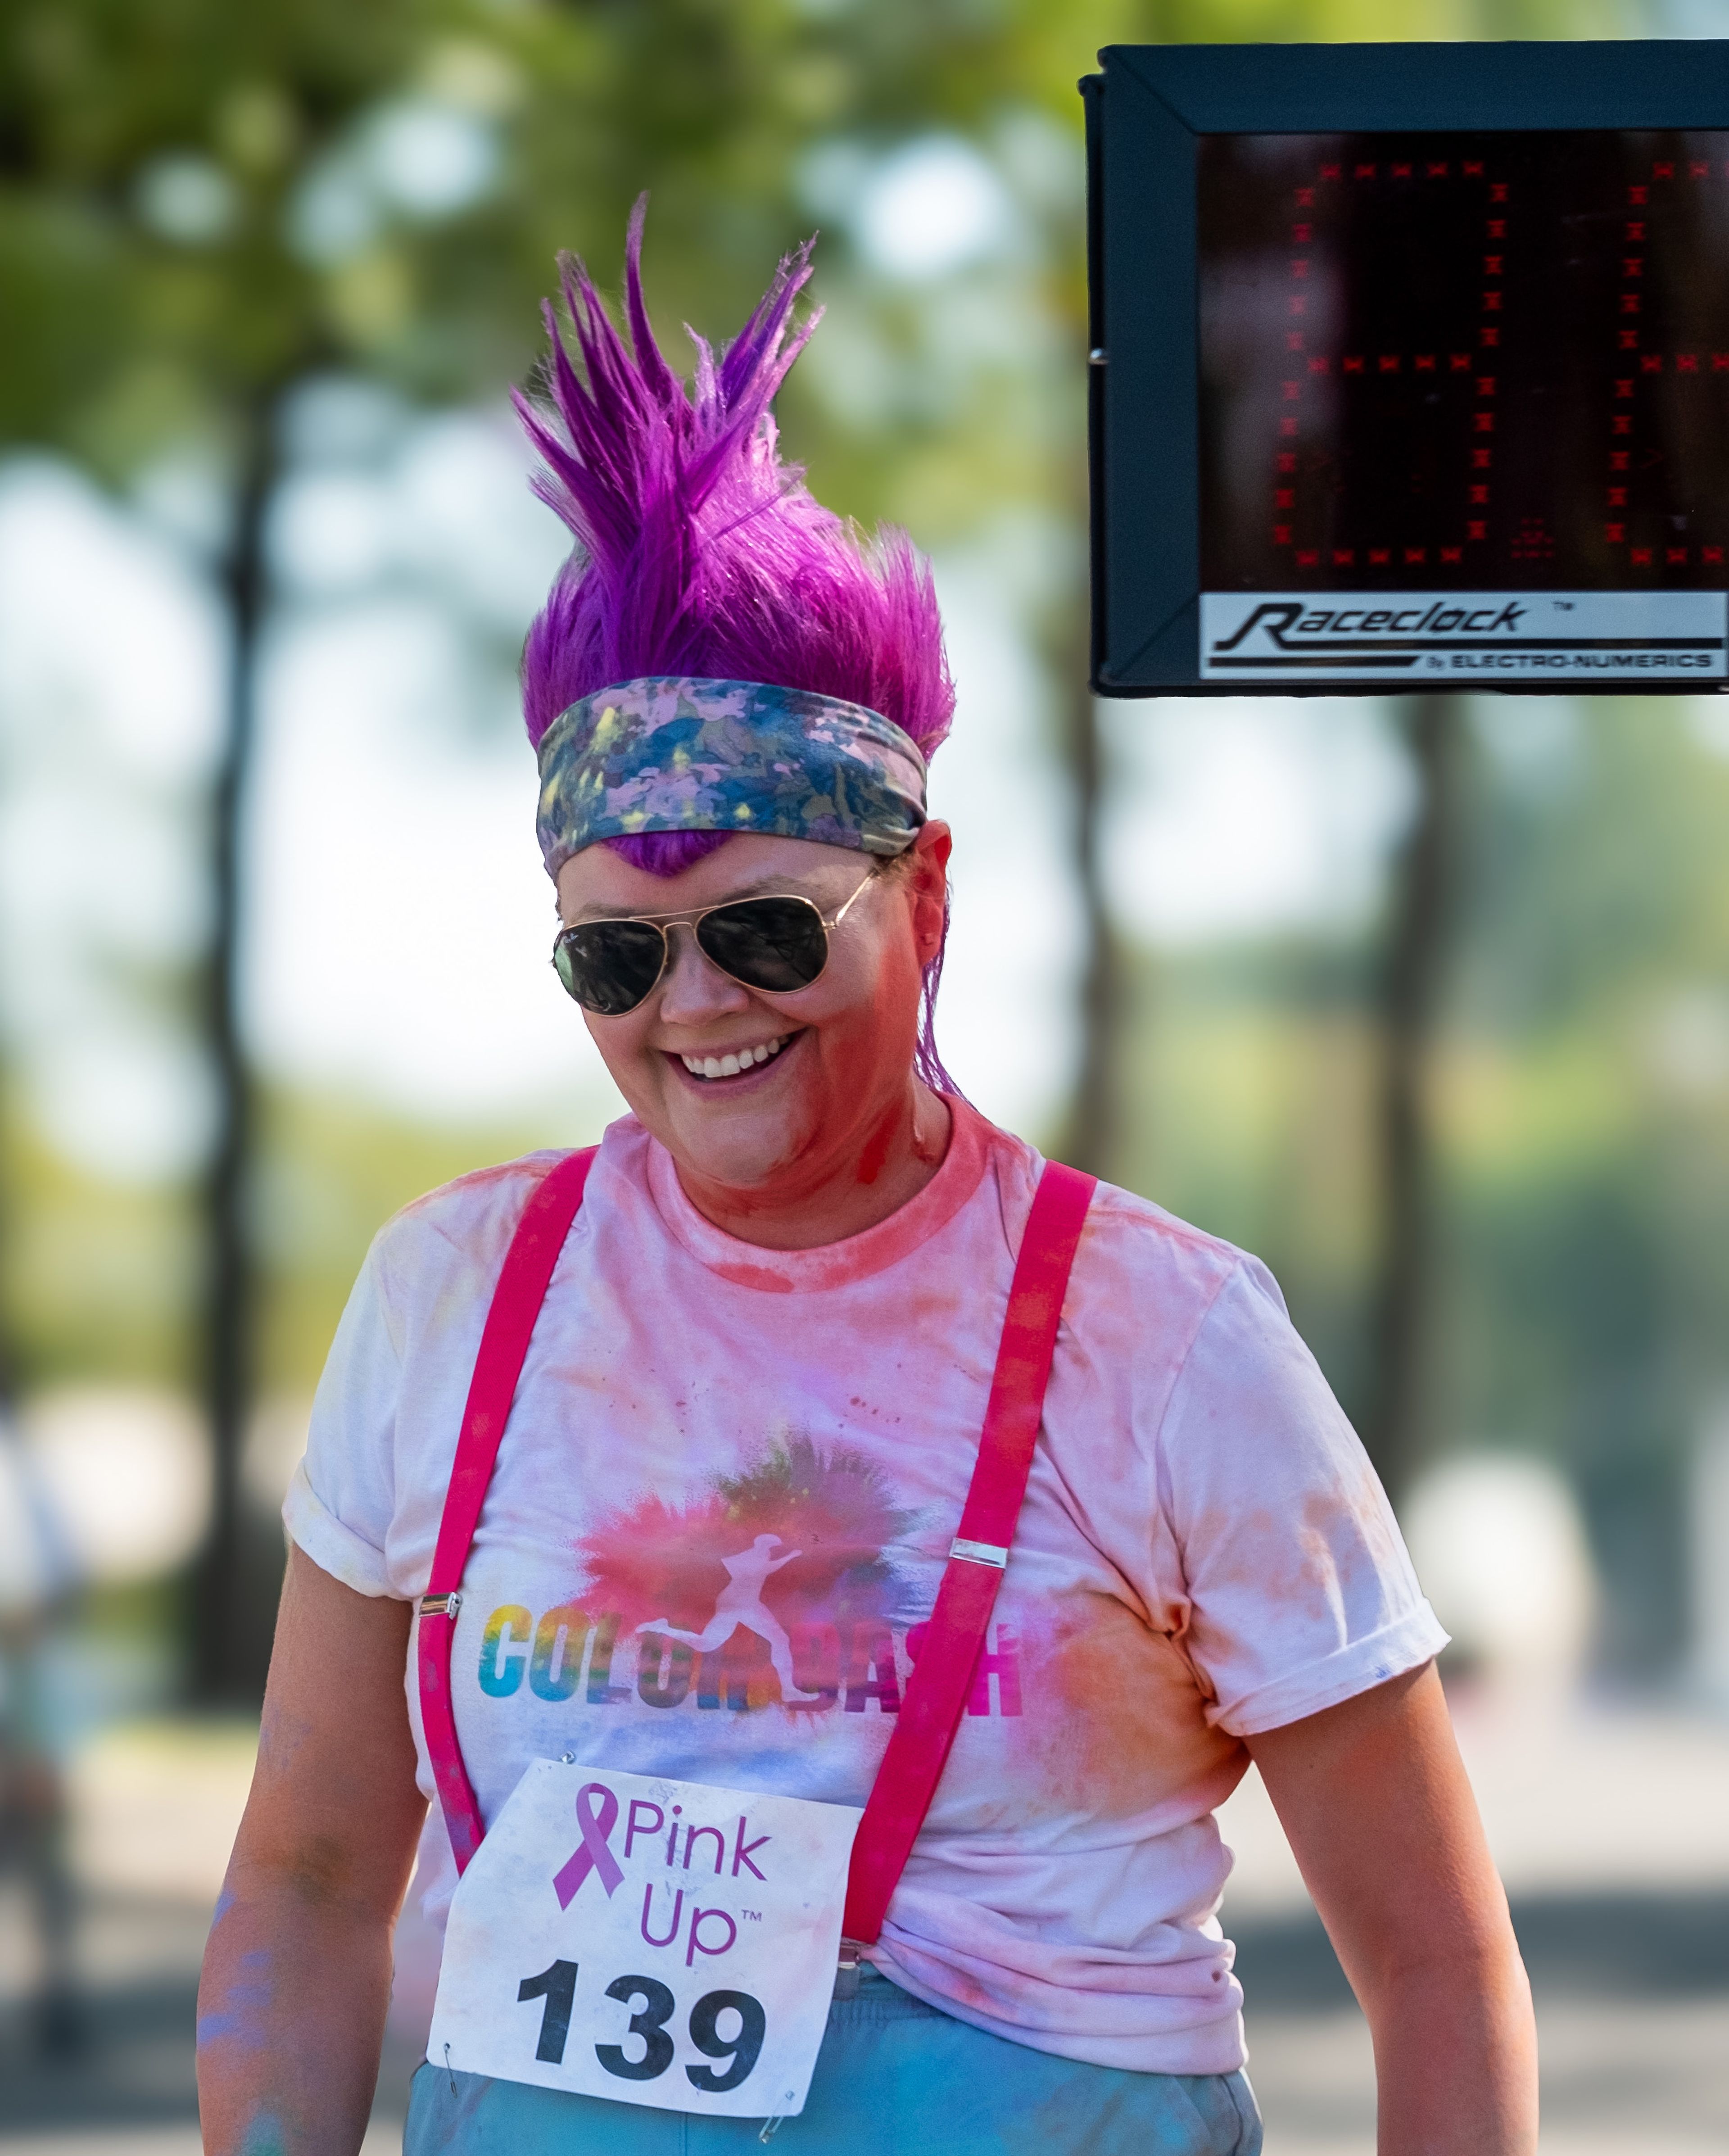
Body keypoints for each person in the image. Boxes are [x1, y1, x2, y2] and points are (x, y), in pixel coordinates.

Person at [197, 212, 1538, 2156]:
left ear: (924, 896)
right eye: (615, 953)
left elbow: (1434, 1957)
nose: (693, 1009)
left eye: (761, 929)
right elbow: (313, 1883)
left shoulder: (1162, 1334)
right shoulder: (452, 1292)